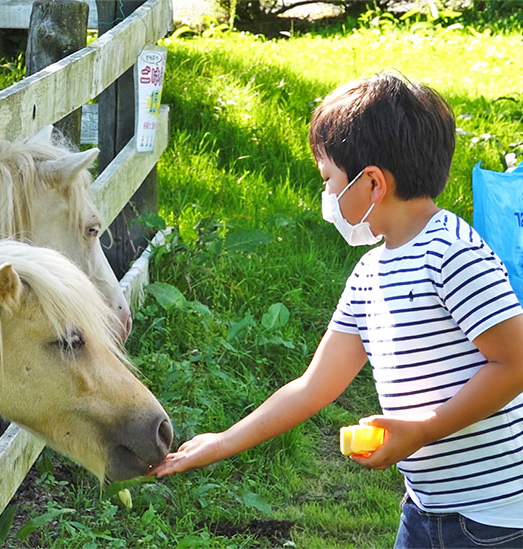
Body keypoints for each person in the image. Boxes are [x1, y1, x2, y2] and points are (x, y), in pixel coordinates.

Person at [150, 72, 523, 548]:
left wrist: (423, 431)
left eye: (328, 180)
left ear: (371, 183)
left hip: (491, 519)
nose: (325, 196)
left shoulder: (453, 252)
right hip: (426, 508)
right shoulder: (371, 272)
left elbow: (514, 362)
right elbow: (313, 386)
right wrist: (221, 441)